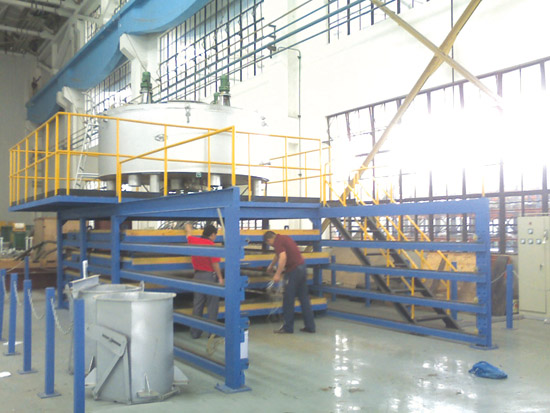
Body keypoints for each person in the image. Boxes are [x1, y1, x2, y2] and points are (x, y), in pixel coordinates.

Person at [264, 230, 316, 334]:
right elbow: (278, 255)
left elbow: (283, 257)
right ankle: (310, 326)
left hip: (293, 271)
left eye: (269, 243)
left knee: (288, 299)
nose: (271, 245)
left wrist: (277, 274)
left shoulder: (277, 242)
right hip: (302, 268)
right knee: (304, 299)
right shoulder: (284, 238)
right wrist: (271, 265)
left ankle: (288, 327)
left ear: (269, 240)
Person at [185, 223, 224, 339]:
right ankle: (212, 333)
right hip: (209, 277)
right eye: (215, 235)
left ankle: (195, 332)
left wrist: (188, 226)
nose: (215, 237)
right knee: (212, 305)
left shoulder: (193, 241)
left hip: (197, 276)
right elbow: (215, 264)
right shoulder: (211, 245)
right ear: (212, 235)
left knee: (198, 304)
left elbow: (188, 234)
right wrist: (220, 277)